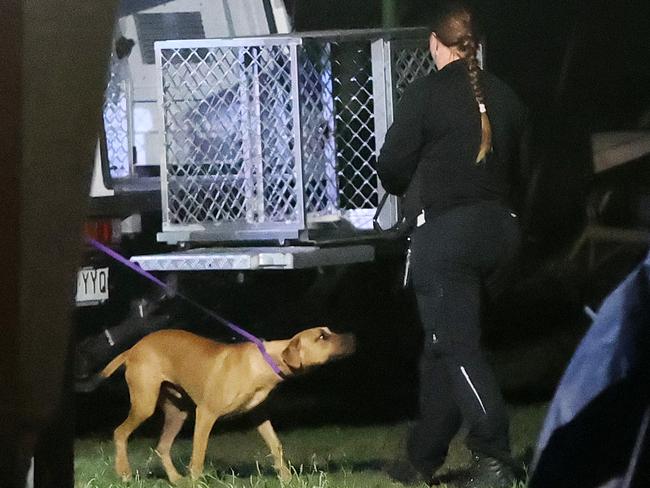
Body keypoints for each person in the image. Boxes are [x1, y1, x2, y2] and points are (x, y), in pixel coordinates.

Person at [377, 2, 527, 487]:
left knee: (457, 347)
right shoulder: (508, 97)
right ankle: (423, 457)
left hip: (447, 240)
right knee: (441, 347)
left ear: (433, 44)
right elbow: (524, 175)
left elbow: (392, 170)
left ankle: (493, 456)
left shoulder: (424, 95)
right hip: (501, 235)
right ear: (476, 46)